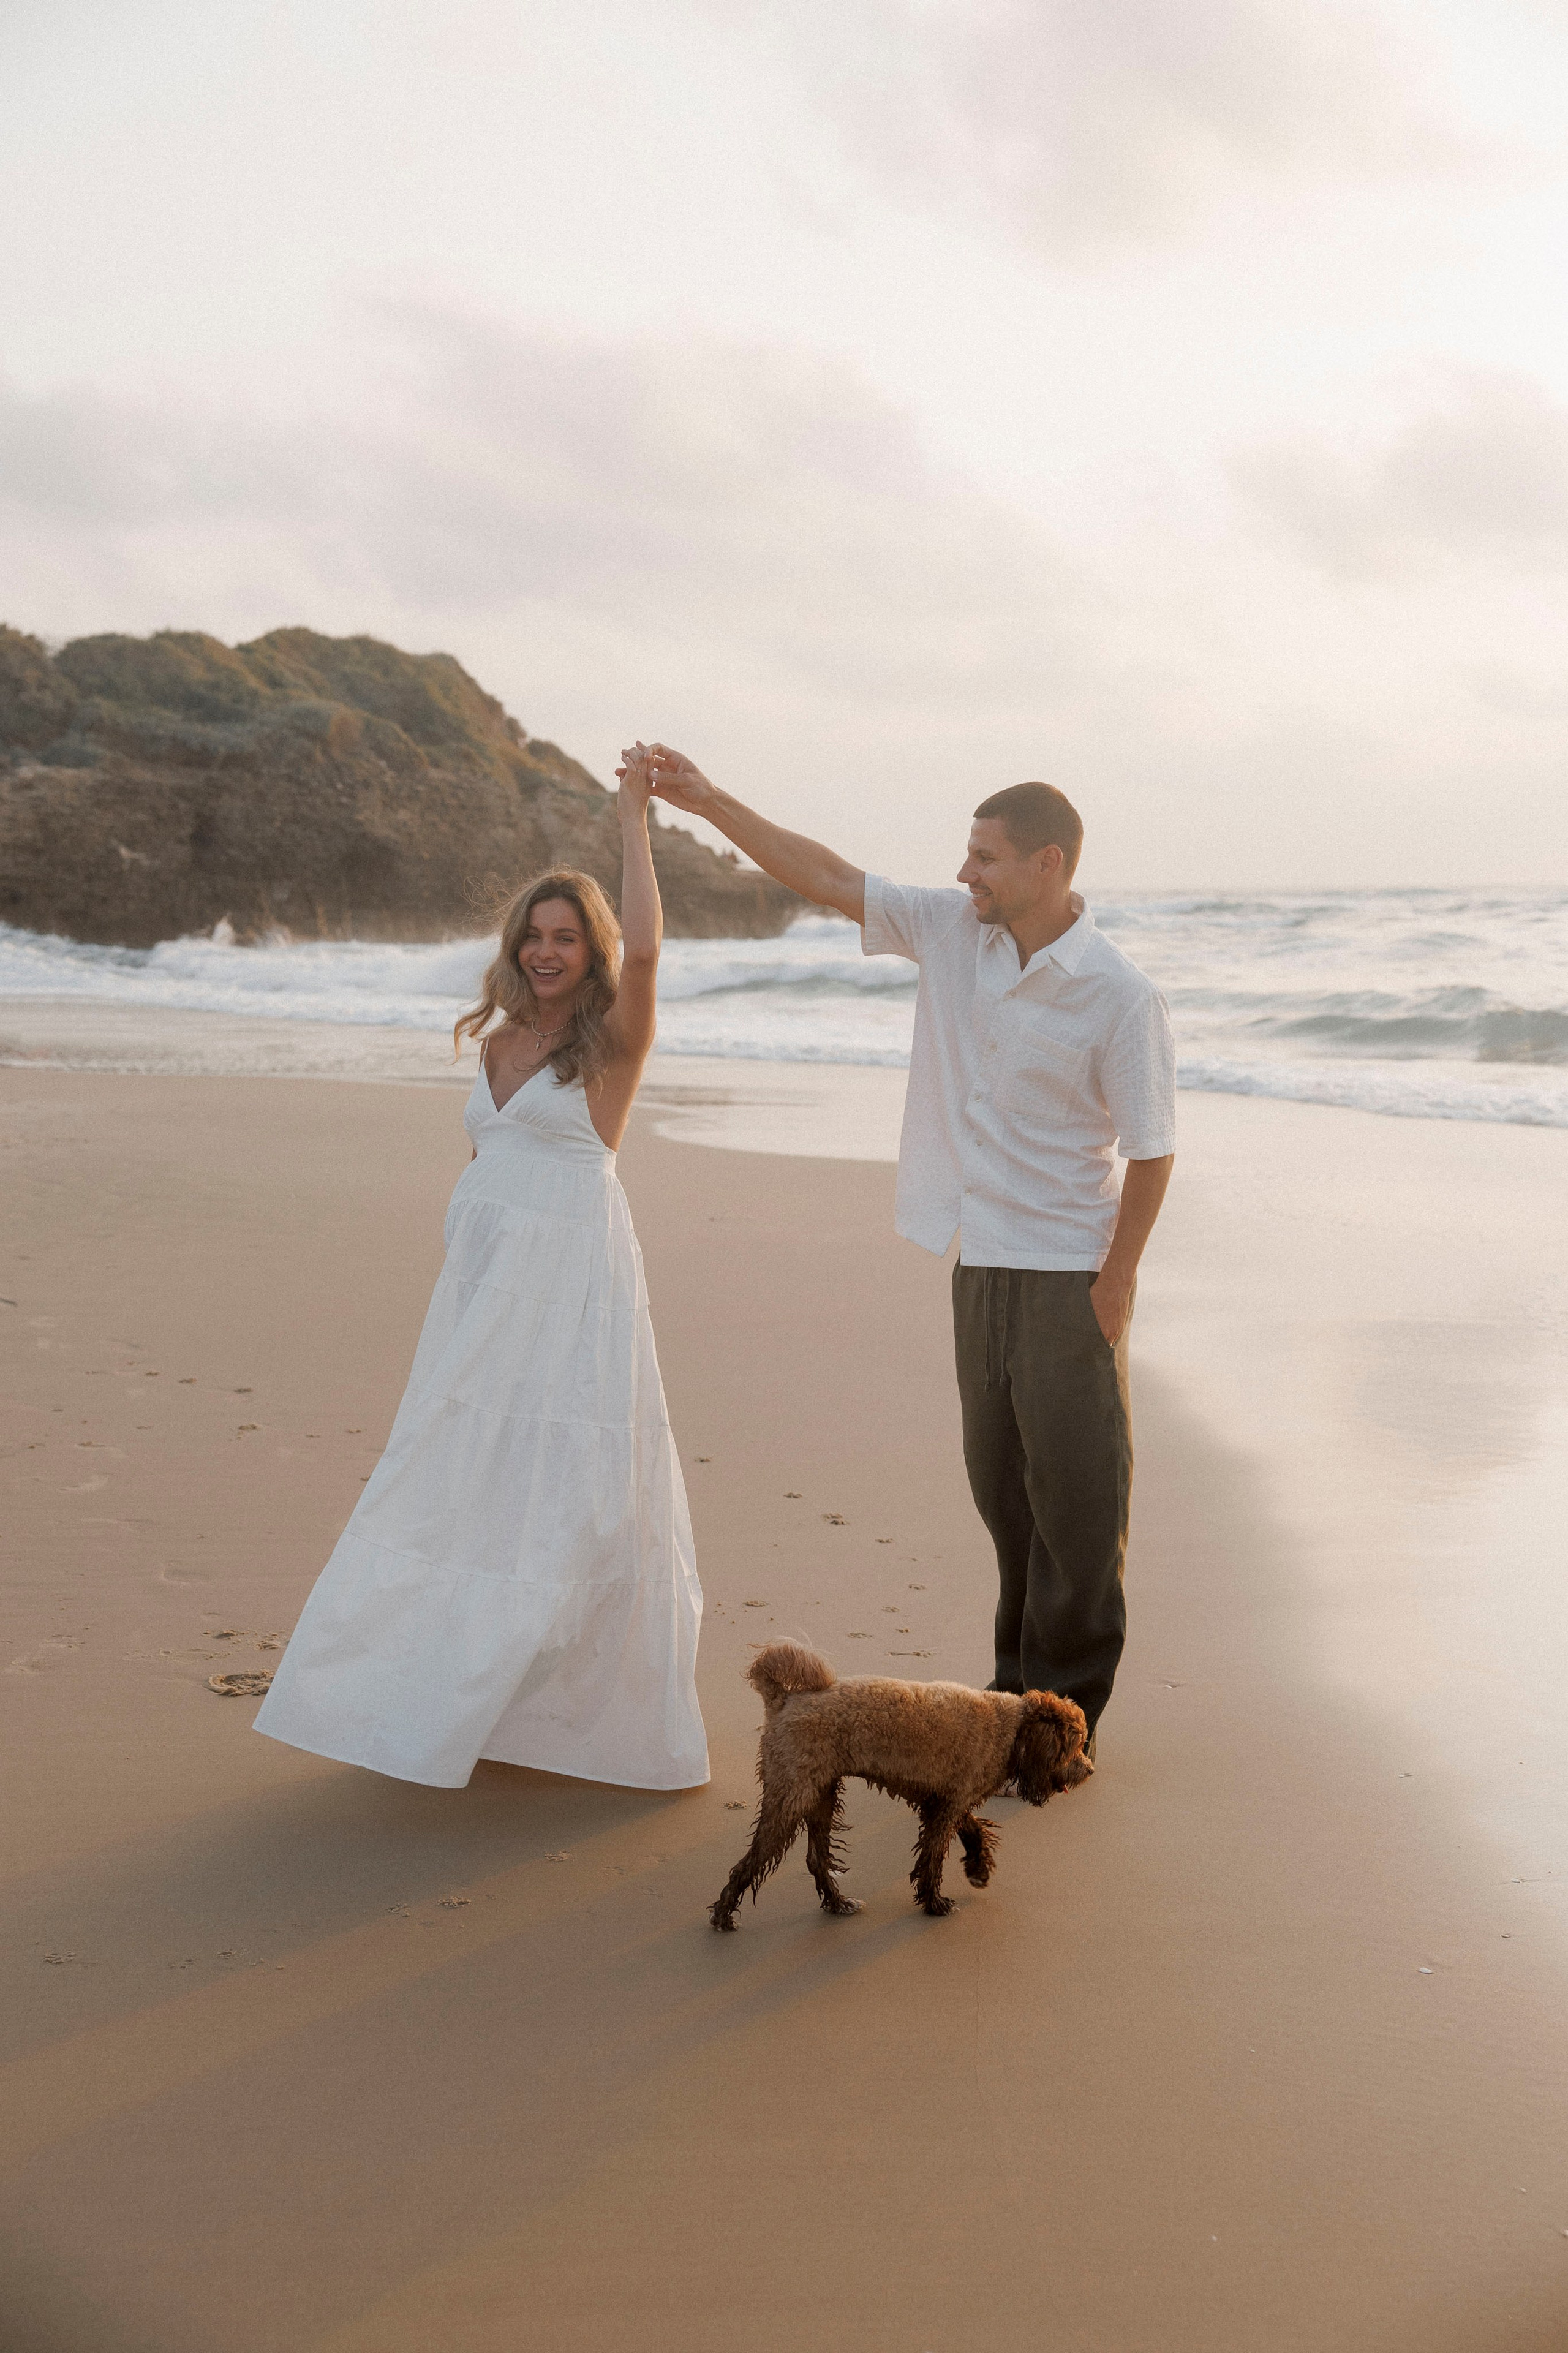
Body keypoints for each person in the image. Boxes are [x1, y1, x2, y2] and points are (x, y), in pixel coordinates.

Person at [641, 746, 1175, 1757]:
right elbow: (830, 877)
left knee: (1080, 1504)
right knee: (1003, 1492)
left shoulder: (1118, 994)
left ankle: (1063, 1725)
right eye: (967, 855)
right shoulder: (953, 932)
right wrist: (709, 800)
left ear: (1048, 864)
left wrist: (1116, 1284)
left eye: (985, 856)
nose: (966, 872)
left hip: (1070, 1275)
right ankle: (1018, 1690)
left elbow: (1152, 1149)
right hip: (979, 1264)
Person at [254, 748, 709, 1791]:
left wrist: (632, 820)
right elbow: (488, 1160)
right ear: (515, 946)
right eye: (534, 937)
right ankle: (458, 1689)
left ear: (591, 949)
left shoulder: (611, 1042)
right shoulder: (498, 1040)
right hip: (481, 1288)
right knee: (460, 1475)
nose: (548, 953)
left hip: (573, 1287)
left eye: (567, 938)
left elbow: (647, 955)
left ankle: (564, 1706)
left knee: (567, 1483)